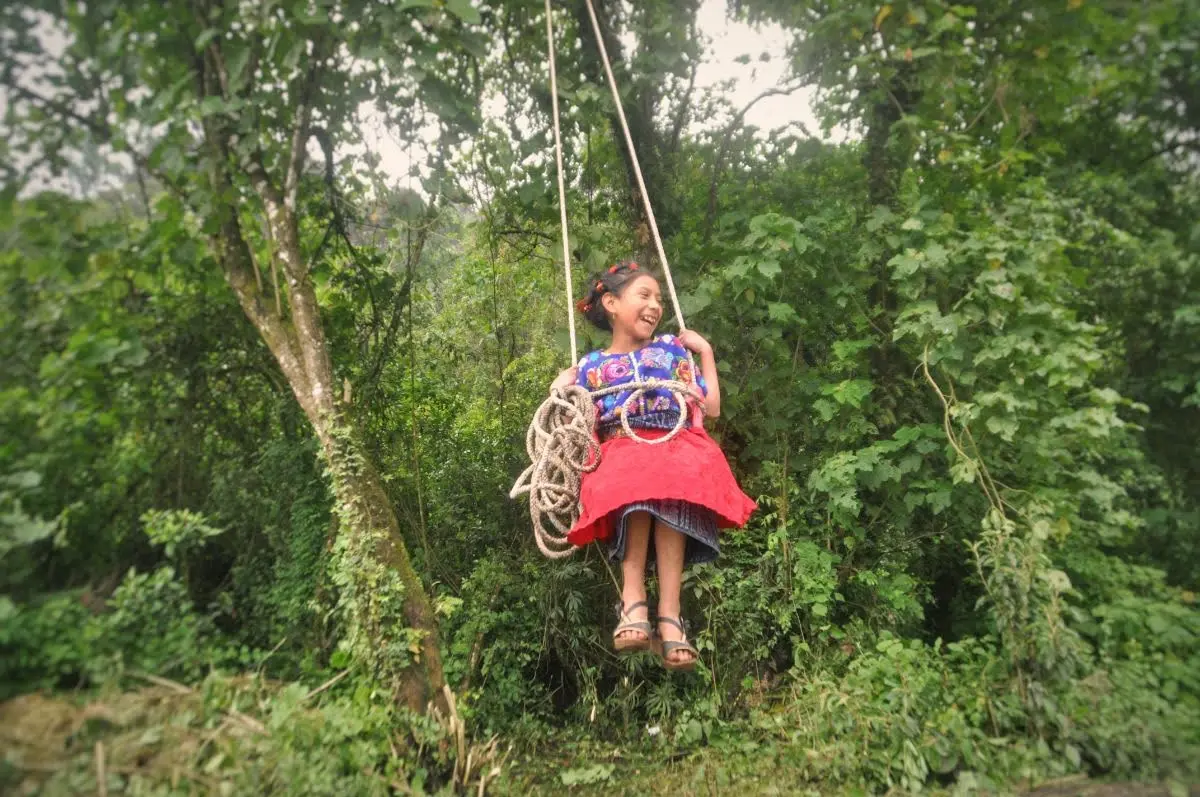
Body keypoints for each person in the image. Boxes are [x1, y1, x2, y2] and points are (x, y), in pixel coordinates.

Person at [548, 260, 756, 671]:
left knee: (669, 475)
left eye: (659, 298)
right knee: (635, 475)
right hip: (623, 447)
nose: (655, 305)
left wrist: (707, 353)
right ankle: (634, 603)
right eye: (644, 295)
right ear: (611, 302)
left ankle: (669, 615)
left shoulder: (671, 349)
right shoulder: (590, 367)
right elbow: (576, 426)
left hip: (675, 440)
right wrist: (560, 388)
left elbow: (710, 407)